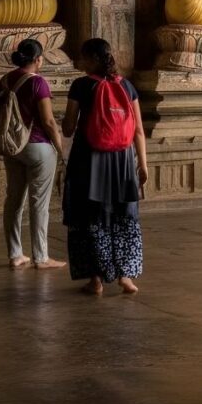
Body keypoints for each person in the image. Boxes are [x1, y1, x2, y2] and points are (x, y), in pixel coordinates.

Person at [62, 38, 147, 294]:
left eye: (84, 57)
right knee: (123, 215)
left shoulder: (81, 86)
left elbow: (67, 127)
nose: (80, 62)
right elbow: (139, 131)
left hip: (89, 159)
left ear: (94, 59)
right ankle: (126, 278)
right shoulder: (127, 86)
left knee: (91, 216)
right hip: (122, 160)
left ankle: (96, 279)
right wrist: (142, 164)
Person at [0, 39, 66, 270]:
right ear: (38, 59)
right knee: (39, 203)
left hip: (13, 146)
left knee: (13, 199)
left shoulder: (5, 80)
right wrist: (59, 146)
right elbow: (47, 121)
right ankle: (41, 257)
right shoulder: (39, 83)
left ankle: (15, 254)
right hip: (38, 146)